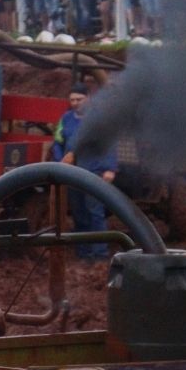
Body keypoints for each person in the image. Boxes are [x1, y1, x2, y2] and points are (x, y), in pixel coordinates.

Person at [51, 85, 117, 258]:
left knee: (95, 212)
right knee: (78, 213)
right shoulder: (66, 119)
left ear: (88, 98)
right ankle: (83, 252)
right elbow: (58, 141)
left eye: (78, 99)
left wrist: (110, 168)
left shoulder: (99, 120)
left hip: (93, 172)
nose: (75, 103)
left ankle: (100, 254)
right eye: (72, 100)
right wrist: (60, 161)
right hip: (72, 174)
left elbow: (109, 145)